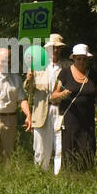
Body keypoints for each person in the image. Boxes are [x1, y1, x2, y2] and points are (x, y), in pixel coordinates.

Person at [51, 44, 97, 172]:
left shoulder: (94, 75)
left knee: (88, 150)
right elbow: (53, 96)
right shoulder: (65, 73)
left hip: (88, 122)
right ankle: (70, 179)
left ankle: (86, 179)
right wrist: (63, 94)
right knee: (70, 151)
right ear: (73, 58)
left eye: (84, 59)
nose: (81, 61)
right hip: (70, 120)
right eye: (78, 59)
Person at [26, 34, 67, 175]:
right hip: (41, 110)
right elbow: (29, 90)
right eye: (52, 47)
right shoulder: (37, 65)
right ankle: (40, 175)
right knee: (40, 147)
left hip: (60, 111)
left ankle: (58, 176)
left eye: (58, 47)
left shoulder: (67, 67)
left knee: (60, 145)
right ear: (47, 49)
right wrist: (29, 79)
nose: (55, 50)